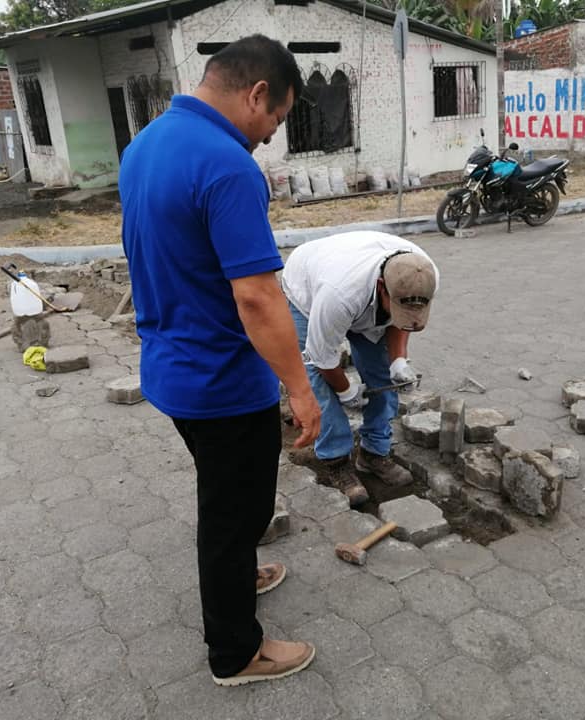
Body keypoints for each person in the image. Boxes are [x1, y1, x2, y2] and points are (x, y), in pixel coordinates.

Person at [119, 35, 321, 687]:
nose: (269, 136)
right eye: (276, 119)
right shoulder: (228, 166)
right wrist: (301, 389)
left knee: (230, 501)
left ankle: (238, 578)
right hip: (222, 382)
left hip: (170, 368)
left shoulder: (146, 144)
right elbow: (258, 296)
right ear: (257, 94)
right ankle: (236, 653)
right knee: (234, 515)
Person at [281, 231, 439, 505]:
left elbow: (403, 319)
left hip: (356, 285)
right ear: (381, 287)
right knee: (316, 379)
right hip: (308, 287)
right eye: (396, 304)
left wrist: (398, 359)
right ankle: (336, 460)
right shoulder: (338, 296)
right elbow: (321, 358)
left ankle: (374, 453)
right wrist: (346, 390)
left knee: (382, 374)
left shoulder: (424, 274)